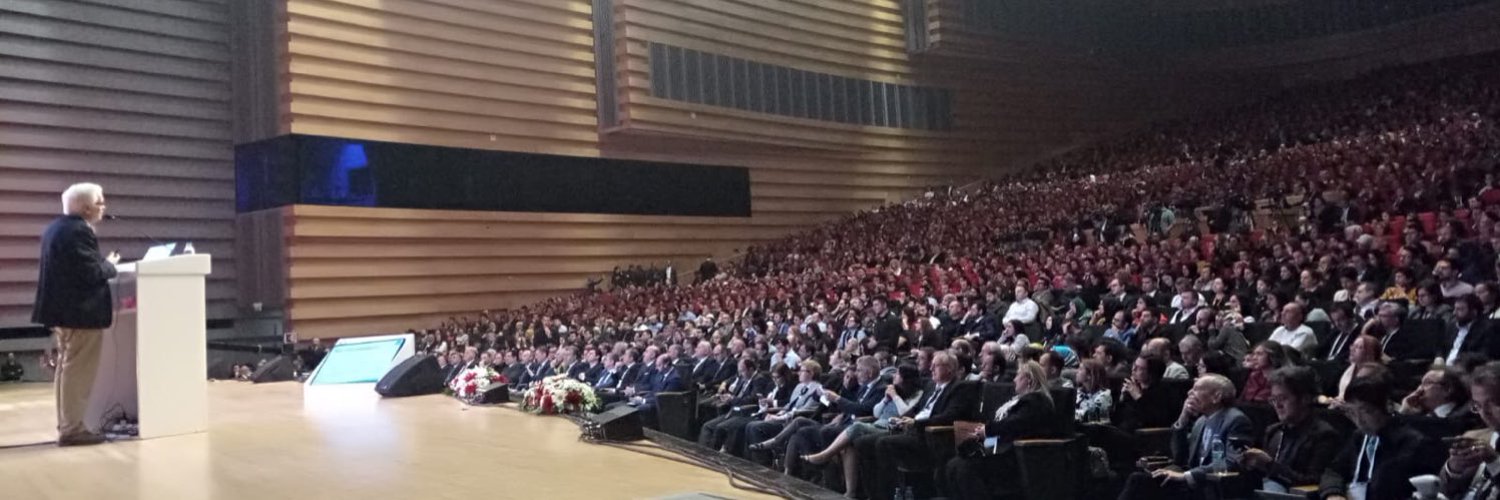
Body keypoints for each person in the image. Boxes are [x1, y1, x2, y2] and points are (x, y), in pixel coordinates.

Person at [32, 183, 119, 447]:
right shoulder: (79, 231)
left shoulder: (55, 228)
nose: (104, 207)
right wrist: (110, 265)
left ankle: (67, 424)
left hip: (62, 312)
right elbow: (91, 273)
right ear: (86, 208)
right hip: (80, 314)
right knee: (77, 372)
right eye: (100, 202)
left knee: (66, 369)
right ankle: (72, 429)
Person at [853, 351, 980, 500]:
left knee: (883, 443)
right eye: (931, 365)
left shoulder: (960, 388)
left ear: (949, 369)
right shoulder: (931, 386)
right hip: (911, 429)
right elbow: (918, 410)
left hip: (930, 437)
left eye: (936, 366)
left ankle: (885, 496)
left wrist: (916, 422)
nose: (931, 369)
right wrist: (904, 419)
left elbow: (949, 416)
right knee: (862, 442)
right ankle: (872, 494)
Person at [1117, 374, 1253, 500]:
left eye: (1196, 389)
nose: (1189, 393)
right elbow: (1179, 457)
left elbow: (1231, 463)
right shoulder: (1201, 421)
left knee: (1139, 482)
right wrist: (1183, 418)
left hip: (1213, 487)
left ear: (1216, 397)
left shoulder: (1236, 420)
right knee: (1139, 479)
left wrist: (1186, 475)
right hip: (1192, 484)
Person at [801, 364, 923, 498]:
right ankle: (850, 491)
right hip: (878, 424)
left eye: (898, 374)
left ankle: (825, 455)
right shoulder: (893, 391)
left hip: (893, 428)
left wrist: (894, 397)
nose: (894, 376)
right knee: (849, 445)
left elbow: (906, 413)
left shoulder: (916, 394)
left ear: (906, 378)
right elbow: (876, 413)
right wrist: (885, 400)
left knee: (857, 427)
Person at [943, 361, 1060, 500]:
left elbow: (1013, 424)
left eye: (1018, 375)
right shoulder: (1021, 400)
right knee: (954, 464)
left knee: (963, 468)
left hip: (1018, 456)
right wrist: (981, 440)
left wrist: (986, 431)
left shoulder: (1036, 401)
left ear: (1028, 379)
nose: (1014, 380)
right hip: (1002, 446)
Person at [1321, 371, 1445, 500]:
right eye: (1352, 412)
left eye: (1366, 411)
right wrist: (1333, 493)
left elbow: (1389, 487)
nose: (1359, 420)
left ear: (1387, 407)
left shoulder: (1412, 443)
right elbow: (1334, 471)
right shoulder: (1359, 437)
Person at [1238, 366, 1342, 493]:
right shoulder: (1273, 431)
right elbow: (1264, 476)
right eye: (1273, 400)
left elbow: (1313, 482)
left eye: (1282, 398)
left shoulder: (1324, 435)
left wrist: (1269, 464)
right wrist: (1250, 464)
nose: (1277, 405)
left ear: (1305, 399)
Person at [1438, 361, 1500, 500]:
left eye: (1492, 403)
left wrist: (1494, 462)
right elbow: (1442, 490)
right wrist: (1454, 469)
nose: (1485, 413)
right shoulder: (1476, 437)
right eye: (1478, 405)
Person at [1074, 359, 1113, 424]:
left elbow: (1090, 414)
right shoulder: (1078, 392)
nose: (1077, 371)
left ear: (1090, 375)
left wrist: (1071, 413)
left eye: (1080, 369)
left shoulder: (1105, 395)